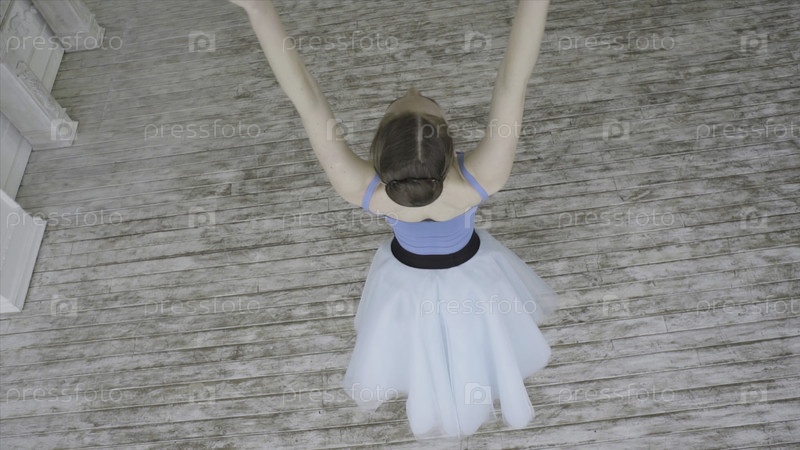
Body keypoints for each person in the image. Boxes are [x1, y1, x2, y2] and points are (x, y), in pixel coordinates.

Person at [229, 0, 557, 439]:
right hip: (475, 277)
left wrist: (258, 10)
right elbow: (512, 81)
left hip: (404, 284)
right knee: (477, 338)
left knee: (416, 347)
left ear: (380, 150)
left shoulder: (359, 186)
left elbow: (306, 98)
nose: (413, 86)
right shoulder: (482, 177)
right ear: (447, 145)